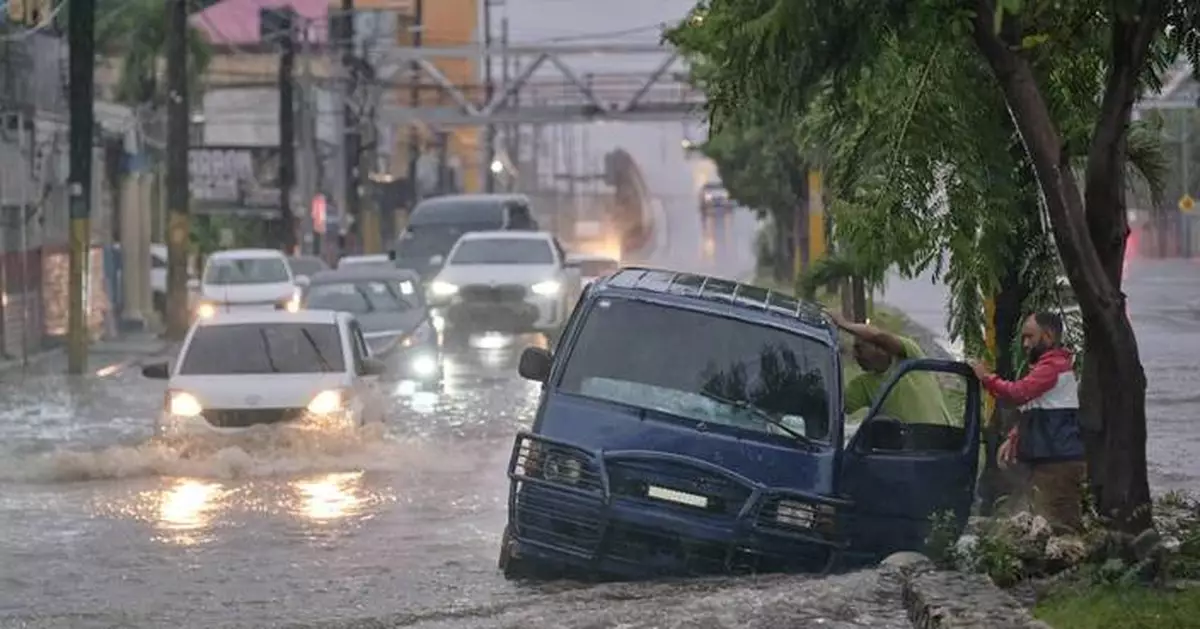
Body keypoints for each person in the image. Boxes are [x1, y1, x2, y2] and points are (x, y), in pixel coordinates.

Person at [969, 311, 1086, 533]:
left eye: (1030, 336)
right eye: (1024, 337)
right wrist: (1015, 437)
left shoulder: (1052, 367)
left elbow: (1017, 393)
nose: (1025, 344)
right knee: (1048, 522)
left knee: (1059, 525)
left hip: (1056, 462)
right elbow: (1034, 409)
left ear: (1048, 336)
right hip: (1051, 460)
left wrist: (986, 378)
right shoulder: (1051, 367)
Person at [829, 310, 955, 426]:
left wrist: (843, 324)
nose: (855, 355)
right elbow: (835, 405)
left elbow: (878, 336)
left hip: (942, 437)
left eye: (859, 348)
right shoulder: (863, 385)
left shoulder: (910, 355)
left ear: (878, 347)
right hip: (909, 442)